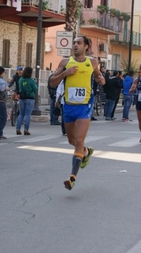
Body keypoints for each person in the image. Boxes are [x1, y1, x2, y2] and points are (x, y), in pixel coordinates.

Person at [50, 35, 105, 191]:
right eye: (74, 43)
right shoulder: (65, 63)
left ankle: (72, 178)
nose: (75, 45)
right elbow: (52, 82)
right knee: (72, 141)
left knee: (79, 141)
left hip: (84, 107)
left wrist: (101, 79)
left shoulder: (92, 62)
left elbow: (98, 76)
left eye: (79, 43)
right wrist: (65, 74)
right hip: (68, 106)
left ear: (86, 46)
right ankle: (86, 152)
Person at [15, 66, 37, 135]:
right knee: (27, 114)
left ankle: (18, 128)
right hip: (30, 98)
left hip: (22, 98)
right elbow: (35, 89)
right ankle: (26, 129)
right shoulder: (31, 80)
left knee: (21, 114)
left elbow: (20, 87)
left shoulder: (21, 79)